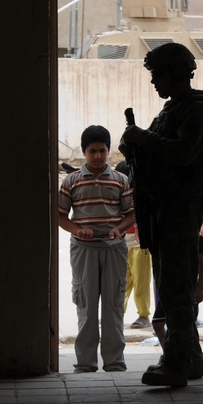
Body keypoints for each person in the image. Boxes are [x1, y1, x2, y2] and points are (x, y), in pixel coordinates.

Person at [120, 42, 203, 387]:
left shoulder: (196, 110)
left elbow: (182, 154)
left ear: (176, 73)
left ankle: (177, 360)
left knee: (175, 288)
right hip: (164, 208)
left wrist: (142, 138)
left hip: (180, 209)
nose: (153, 82)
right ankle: (190, 357)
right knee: (169, 282)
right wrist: (133, 145)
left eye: (157, 74)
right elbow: (154, 154)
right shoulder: (172, 110)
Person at [58, 125, 135, 373]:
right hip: (83, 250)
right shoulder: (71, 181)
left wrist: (118, 229)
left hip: (114, 249)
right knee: (86, 306)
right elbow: (60, 216)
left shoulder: (121, 180)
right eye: (92, 151)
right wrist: (77, 230)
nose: (98, 156)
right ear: (83, 152)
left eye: (102, 151)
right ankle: (85, 363)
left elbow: (131, 214)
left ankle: (114, 362)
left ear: (109, 151)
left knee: (113, 305)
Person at [115, 160, 153, 330]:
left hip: (140, 245)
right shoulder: (117, 194)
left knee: (141, 281)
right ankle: (117, 311)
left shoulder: (141, 196)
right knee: (121, 281)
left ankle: (143, 315)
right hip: (122, 243)